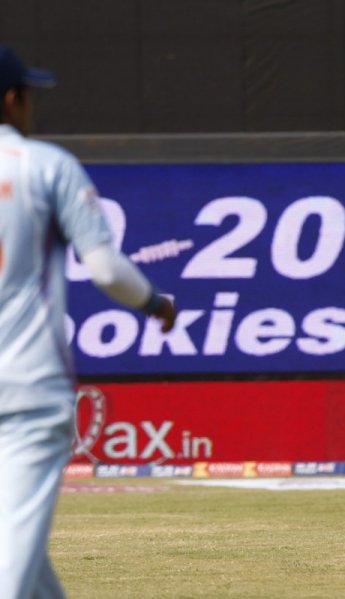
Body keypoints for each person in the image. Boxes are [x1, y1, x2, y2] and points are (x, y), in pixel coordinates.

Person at [0, 45, 177, 598]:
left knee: (25, 565)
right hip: (28, 391)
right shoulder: (45, 165)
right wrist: (155, 303)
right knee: (10, 565)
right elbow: (104, 268)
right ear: (12, 100)